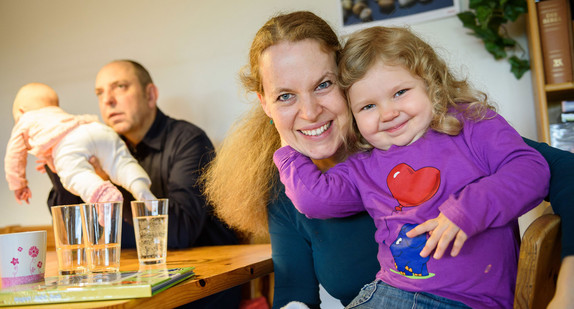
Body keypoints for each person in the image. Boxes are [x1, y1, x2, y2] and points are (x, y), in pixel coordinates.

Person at [201, 11, 574, 309]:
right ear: (263, 102)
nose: (310, 111)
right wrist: (285, 143)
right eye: (284, 96)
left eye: (323, 85)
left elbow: (546, 171)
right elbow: (295, 288)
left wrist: (566, 295)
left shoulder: (450, 128)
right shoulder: (316, 180)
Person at [47, 60, 240, 308]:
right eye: (100, 93)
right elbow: (73, 227)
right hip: (133, 284)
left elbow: (181, 230)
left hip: (201, 289)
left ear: (150, 95)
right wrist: (62, 160)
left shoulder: (188, 140)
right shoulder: (98, 144)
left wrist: (106, 185)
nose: (108, 100)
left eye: (120, 87)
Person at [5, 82, 155, 205]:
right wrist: (50, 160)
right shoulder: (59, 116)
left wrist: (19, 184)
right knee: (120, 162)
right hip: (96, 128)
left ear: (21, 111)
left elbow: (15, 156)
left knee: (74, 175)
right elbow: (59, 144)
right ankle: (139, 185)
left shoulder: (25, 119)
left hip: (72, 143)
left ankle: (104, 196)